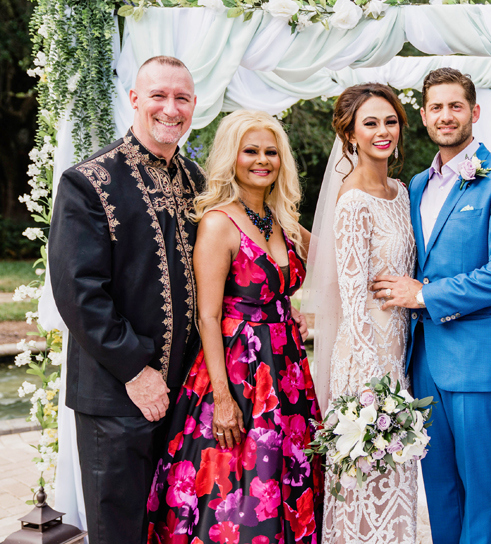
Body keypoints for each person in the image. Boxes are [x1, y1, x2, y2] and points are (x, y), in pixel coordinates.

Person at [372, 68, 491, 544]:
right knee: (440, 489)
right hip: (423, 362)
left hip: (481, 361)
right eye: (436, 107)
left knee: (480, 491)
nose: (446, 116)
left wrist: (422, 294)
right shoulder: (416, 185)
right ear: (423, 117)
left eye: (456, 106)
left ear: (475, 113)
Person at [146, 110, 323, 543]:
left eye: (271, 152)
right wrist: (223, 399)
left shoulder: (282, 221)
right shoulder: (219, 223)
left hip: (289, 369)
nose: (262, 160)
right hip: (238, 371)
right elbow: (207, 317)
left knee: (290, 471)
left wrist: (303, 311)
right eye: (251, 151)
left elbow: (336, 258)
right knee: (239, 486)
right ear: (232, 157)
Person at [48, 56, 203, 544]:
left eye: (181, 98)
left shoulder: (197, 182)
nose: (170, 108)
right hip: (118, 395)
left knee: (174, 527)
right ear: (134, 100)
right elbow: (79, 292)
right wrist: (137, 372)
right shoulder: (88, 181)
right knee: (121, 531)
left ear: (194, 105)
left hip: (185, 396)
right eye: (158, 95)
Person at [306, 83, 419, 544]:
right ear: (350, 134)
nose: (382, 131)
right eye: (370, 123)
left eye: (389, 121)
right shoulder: (352, 201)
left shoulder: (402, 190)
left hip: (402, 347)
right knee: (367, 479)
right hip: (366, 360)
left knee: (398, 478)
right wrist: (374, 384)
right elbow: (351, 301)